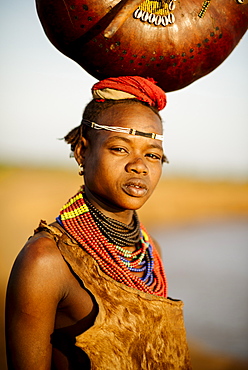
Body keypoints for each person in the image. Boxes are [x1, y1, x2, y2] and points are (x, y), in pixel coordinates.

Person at [5, 76, 192, 369]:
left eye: (152, 154)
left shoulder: (149, 252)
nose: (139, 166)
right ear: (82, 151)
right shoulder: (45, 261)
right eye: (120, 149)